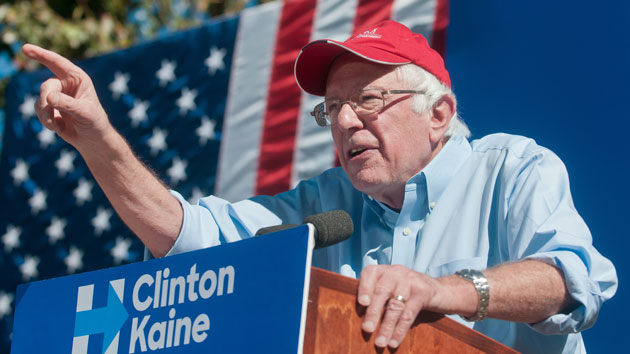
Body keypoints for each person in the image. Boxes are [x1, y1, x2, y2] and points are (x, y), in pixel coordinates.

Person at [23, 20, 616, 353]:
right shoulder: (323, 206)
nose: (346, 121)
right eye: (332, 108)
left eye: (368, 100)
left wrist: (446, 292)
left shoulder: (512, 168)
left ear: (438, 114)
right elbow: (191, 239)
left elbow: (570, 278)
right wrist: (98, 140)